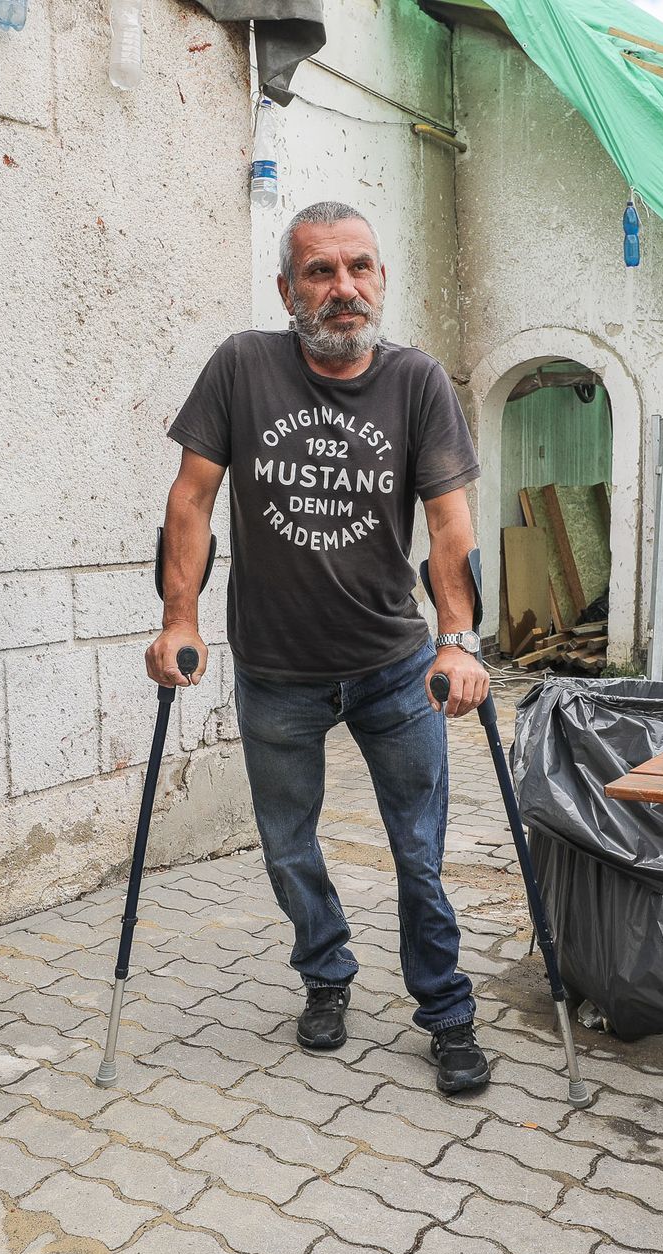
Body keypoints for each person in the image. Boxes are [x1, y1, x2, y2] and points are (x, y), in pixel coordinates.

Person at [147, 200, 493, 1095]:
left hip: (395, 668)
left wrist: (459, 641)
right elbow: (192, 499)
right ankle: (326, 977)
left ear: (380, 278)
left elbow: (449, 522)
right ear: (287, 287)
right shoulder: (242, 366)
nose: (344, 289)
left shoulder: (418, 384)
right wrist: (178, 620)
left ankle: (447, 1009)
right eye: (321, 272)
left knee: (419, 850)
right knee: (289, 846)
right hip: (277, 671)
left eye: (360, 268)